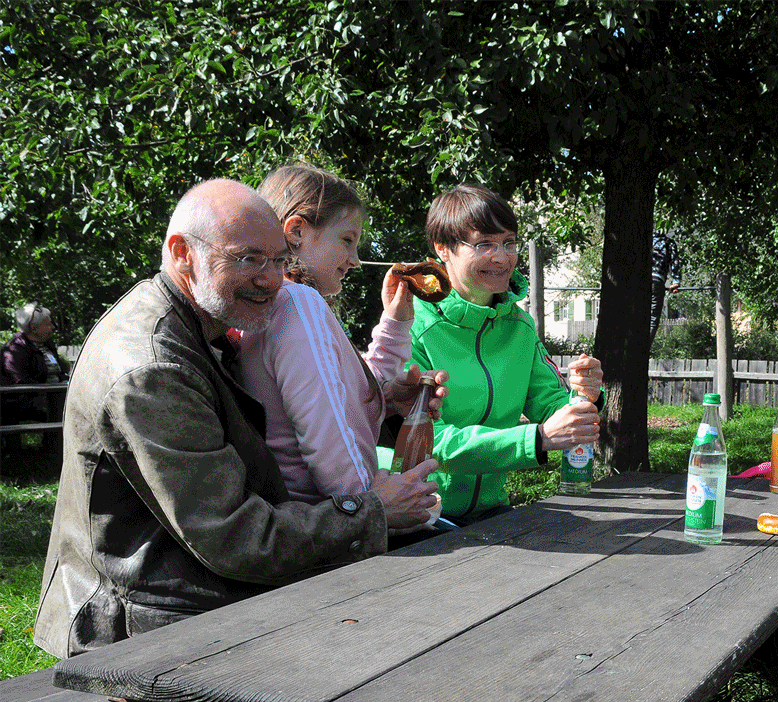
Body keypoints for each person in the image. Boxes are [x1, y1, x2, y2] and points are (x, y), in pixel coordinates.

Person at [34, 179, 439, 659]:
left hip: (183, 591)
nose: (271, 279)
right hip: (141, 622)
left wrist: (383, 401)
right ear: (182, 252)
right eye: (248, 258)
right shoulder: (152, 367)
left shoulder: (202, 324)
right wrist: (370, 511)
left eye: (279, 261)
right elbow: (231, 534)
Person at [379, 183, 603, 525]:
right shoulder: (410, 325)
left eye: (508, 242)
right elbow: (432, 443)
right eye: (484, 244)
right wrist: (538, 438)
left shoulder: (520, 326)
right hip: (417, 515)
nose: (501, 257)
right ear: (444, 249)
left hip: (493, 511)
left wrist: (583, 395)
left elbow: (549, 405)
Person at [234, 164, 443, 511]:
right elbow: (329, 441)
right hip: (331, 519)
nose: (356, 260)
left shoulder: (269, 308)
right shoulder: (299, 303)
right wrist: (375, 506)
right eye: (347, 240)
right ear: (297, 231)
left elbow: (332, 402)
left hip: (307, 516)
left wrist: (387, 389)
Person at [2, 303, 71, 452]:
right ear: (33, 328)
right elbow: (20, 383)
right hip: (23, 400)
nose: (53, 327)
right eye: (48, 324)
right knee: (62, 403)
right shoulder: (14, 350)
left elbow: (57, 371)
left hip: (53, 394)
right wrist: (51, 392)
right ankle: (57, 454)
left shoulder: (47, 344)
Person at [650, 229, 682, 342]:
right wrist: (676, 282)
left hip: (641, 282)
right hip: (657, 280)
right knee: (653, 318)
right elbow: (675, 263)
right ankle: (644, 347)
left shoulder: (646, 241)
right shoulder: (669, 243)